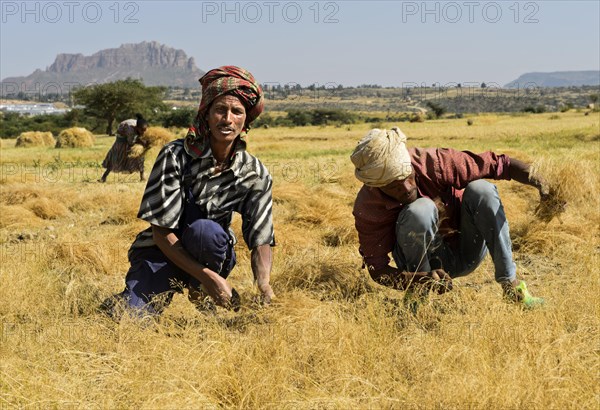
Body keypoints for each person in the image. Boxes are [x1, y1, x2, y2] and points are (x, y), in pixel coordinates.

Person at [102, 66, 275, 317]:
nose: (227, 119)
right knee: (130, 319)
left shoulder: (254, 172)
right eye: (220, 110)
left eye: (237, 112)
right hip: (160, 251)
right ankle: (127, 302)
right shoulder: (175, 156)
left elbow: (261, 237)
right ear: (206, 115)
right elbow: (161, 233)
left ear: (245, 120)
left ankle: (198, 291)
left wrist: (264, 285)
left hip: (209, 249)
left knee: (206, 231)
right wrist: (211, 278)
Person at [351, 127, 548, 307]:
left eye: (406, 177)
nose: (406, 188)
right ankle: (418, 298)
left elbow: (501, 164)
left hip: (465, 251)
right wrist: (419, 279)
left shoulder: (433, 162)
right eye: (393, 186)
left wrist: (543, 185)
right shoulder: (368, 206)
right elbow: (377, 269)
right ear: (376, 185)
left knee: (482, 189)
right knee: (420, 209)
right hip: (417, 269)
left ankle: (512, 287)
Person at [99, 114, 149, 182]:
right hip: (121, 141)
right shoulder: (130, 129)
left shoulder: (143, 126)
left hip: (131, 139)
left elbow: (143, 136)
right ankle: (103, 177)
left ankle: (142, 177)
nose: (144, 132)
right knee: (115, 158)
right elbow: (131, 142)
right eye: (142, 130)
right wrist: (142, 143)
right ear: (137, 128)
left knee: (140, 157)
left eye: (145, 130)